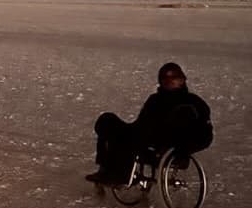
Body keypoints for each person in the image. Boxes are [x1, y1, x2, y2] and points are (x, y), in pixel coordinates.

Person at [85, 62, 213, 185]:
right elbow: (141, 124)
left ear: (182, 79)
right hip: (144, 137)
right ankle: (105, 169)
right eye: (164, 77)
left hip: (161, 145)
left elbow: (204, 134)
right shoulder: (155, 99)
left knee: (126, 139)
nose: (169, 80)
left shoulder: (192, 103)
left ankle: (119, 174)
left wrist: (183, 149)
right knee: (107, 120)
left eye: (173, 77)